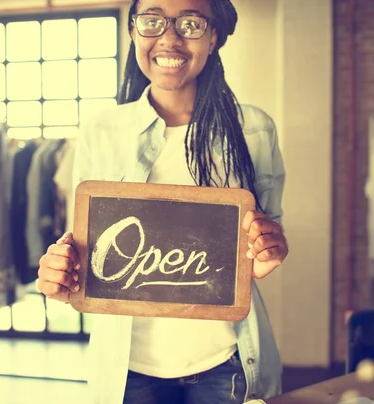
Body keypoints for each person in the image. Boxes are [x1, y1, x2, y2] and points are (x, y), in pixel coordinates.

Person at [38, 0, 288, 403]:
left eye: (190, 23)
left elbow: (268, 237)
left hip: (225, 362)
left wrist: (268, 251)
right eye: (152, 20)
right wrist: (59, 272)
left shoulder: (253, 129)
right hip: (128, 368)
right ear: (134, 30)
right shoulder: (101, 131)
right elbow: (83, 247)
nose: (169, 38)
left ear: (213, 37)